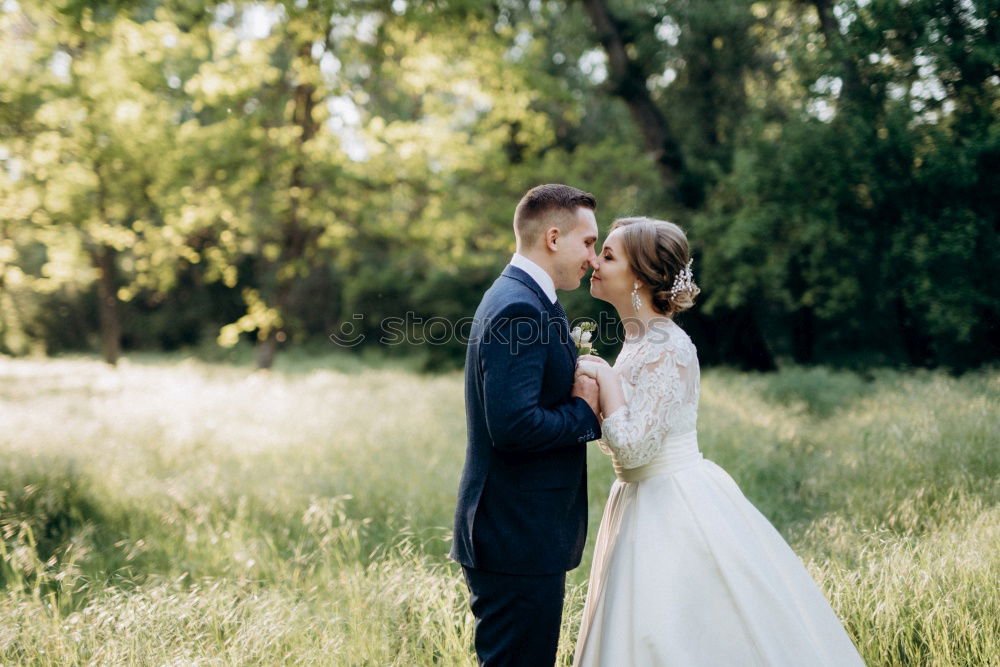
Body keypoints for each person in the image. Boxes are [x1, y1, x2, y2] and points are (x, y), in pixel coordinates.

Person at [573, 217, 865, 666]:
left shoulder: (668, 347)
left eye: (608, 256)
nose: (594, 261)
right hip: (635, 500)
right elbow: (622, 443)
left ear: (641, 276)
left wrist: (605, 379)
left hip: (672, 504)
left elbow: (634, 449)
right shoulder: (635, 342)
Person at [450, 184, 604, 665]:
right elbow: (514, 426)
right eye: (588, 243)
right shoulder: (520, 308)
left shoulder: (528, 298)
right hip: (514, 537)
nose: (594, 259)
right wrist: (584, 411)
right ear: (553, 238)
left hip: (520, 533)